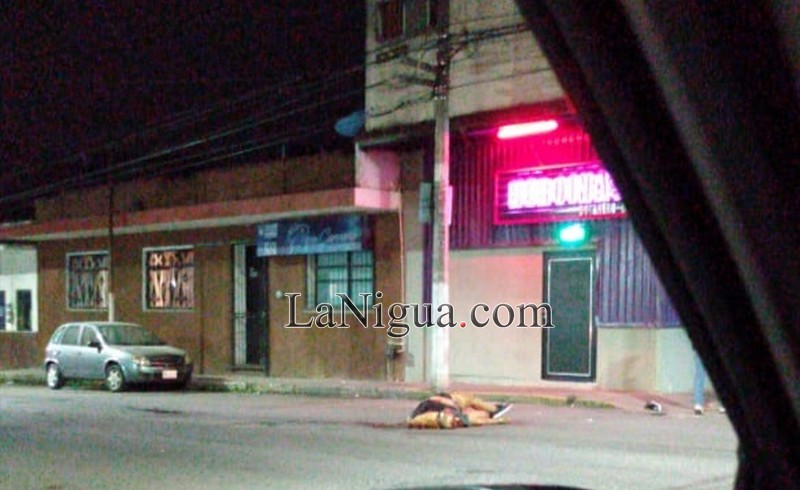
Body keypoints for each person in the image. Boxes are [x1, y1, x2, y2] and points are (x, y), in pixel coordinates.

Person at [407, 392, 513, 429]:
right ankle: (493, 410)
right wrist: (497, 421)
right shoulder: (456, 417)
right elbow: (475, 421)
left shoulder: (449, 408)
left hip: (440, 405)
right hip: (443, 408)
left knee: (469, 400)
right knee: (471, 402)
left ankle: (494, 409)